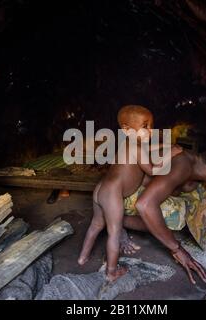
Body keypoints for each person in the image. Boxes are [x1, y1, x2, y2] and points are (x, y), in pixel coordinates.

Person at [123, 140, 206, 284]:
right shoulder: (182, 165)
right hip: (122, 195)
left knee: (198, 193)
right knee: (173, 217)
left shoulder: (194, 164)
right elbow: (145, 204)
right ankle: (117, 220)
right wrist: (177, 249)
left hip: (141, 191)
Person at [77, 105, 181, 282]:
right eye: (145, 126)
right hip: (112, 193)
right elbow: (153, 169)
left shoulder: (128, 144)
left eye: (151, 126)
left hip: (101, 189)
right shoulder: (137, 148)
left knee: (95, 226)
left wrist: (164, 145)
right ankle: (111, 272)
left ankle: (82, 257)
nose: (150, 130)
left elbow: (147, 152)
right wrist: (172, 152)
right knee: (114, 233)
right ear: (126, 130)